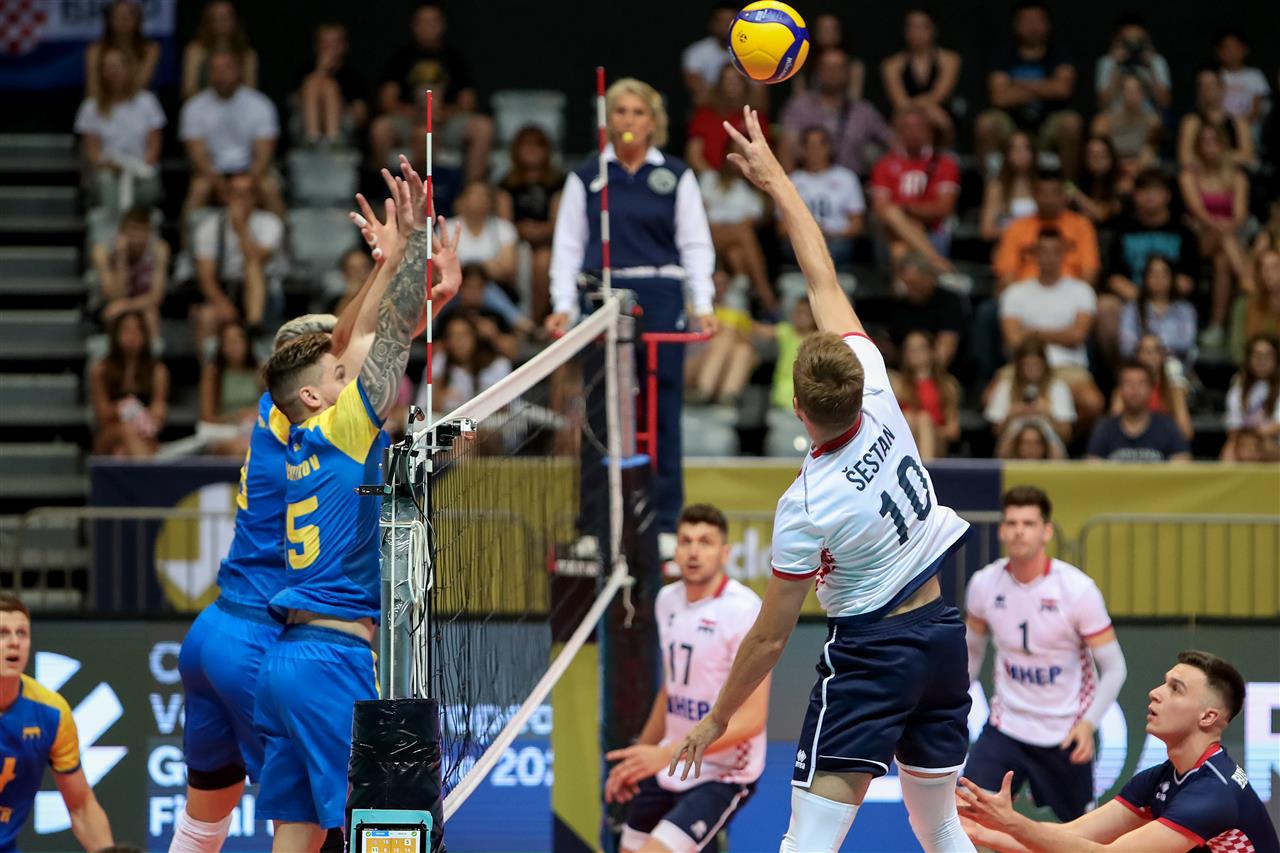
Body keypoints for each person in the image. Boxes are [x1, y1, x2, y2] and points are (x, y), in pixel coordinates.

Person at [670, 107, 976, 853]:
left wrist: (716, 718)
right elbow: (823, 273)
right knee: (939, 825)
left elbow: (770, 637)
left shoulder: (807, 502)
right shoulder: (877, 385)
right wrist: (778, 179)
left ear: (798, 409)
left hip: (873, 653)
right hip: (942, 633)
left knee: (806, 843)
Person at [170, 170, 459, 852]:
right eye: (337, 369)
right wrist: (408, 253)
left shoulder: (290, 421)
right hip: (308, 648)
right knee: (387, 829)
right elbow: (376, 343)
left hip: (263, 646)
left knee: (265, 827)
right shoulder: (340, 427)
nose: (345, 366)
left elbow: (364, 345)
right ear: (317, 387)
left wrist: (414, 287)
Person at [547, 78, 715, 541]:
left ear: (653, 122)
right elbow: (568, 246)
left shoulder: (675, 175)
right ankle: (595, 525)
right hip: (604, 293)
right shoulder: (588, 176)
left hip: (661, 293)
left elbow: (695, 243)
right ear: (608, 120)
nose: (629, 120)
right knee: (600, 412)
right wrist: (563, 305)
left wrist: (702, 302)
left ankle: (665, 524)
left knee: (663, 409)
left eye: (638, 112)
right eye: (620, 111)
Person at [959, 650, 1280, 853]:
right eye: (1164, 683)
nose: (1155, 693)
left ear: (1208, 717)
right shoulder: (1161, 779)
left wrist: (1011, 823)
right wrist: (982, 830)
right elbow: (1071, 835)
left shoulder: (1213, 794)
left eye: (1175, 689)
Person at [605, 504, 767, 853]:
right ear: (675, 550)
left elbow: (752, 718)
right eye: (686, 541)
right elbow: (671, 690)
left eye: (705, 542)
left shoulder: (744, 609)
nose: (694, 551)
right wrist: (638, 759)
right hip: (672, 762)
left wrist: (665, 755)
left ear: (725, 553)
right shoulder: (667, 600)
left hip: (724, 771)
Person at [964, 485, 1128, 822]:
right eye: (1011, 523)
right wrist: (952, 704)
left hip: (1064, 732)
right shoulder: (984, 584)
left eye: (1029, 523)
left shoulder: (1077, 590)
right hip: (1006, 726)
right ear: (1001, 530)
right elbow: (971, 653)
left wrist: (1088, 725)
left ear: (1047, 531)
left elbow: (1115, 668)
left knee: (1082, 832)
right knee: (966, 814)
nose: (1019, 531)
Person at [0, 593, 114, 852]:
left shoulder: (52, 712)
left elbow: (81, 807)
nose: (14, 642)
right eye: (3, 633)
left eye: (22, 633)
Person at [372, 2, 492, 184]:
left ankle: (472, 191)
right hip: (410, 121)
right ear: (414, 26)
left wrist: (440, 114)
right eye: (423, 22)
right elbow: (387, 101)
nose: (428, 27)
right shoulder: (400, 58)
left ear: (442, 25)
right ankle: (387, 188)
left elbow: (468, 102)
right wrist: (419, 114)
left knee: (483, 127)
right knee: (380, 128)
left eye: (433, 22)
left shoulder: (454, 58)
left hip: (446, 122)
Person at [999, 228, 1102, 423]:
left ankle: (1063, 438)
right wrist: (1062, 334)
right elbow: (1013, 340)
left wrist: (1032, 332)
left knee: (1093, 403)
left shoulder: (1082, 291)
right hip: (1022, 366)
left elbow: (1077, 335)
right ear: (1034, 254)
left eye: (1055, 251)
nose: (1049, 257)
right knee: (990, 398)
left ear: (1064, 254)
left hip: (1067, 366)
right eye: (1043, 251)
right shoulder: (1015, 292)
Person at [976, 0, 1082, 180]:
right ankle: (992, 187)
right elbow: (1000, 97)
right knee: (986, 123)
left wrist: (1017, 84)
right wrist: (1046, 86)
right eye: (1027, 21)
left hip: (1048, 124)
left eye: (1037, 21)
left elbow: (1063, 89)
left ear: (1047, 24)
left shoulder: (1059, 54)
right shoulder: (1003, 56)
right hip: (1012, 125)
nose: (1032, 26)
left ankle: (1067, 187)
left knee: (1071, 123)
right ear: (1016, 25)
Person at [1101, 169, 1199, 360]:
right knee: (1106, 306)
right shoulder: (1122, 229)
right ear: (1135, 196)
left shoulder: (1183, 232)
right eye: (1144, 191)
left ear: (1167, 195)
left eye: (1155, 191)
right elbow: (1113, 277)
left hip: (1171, 299)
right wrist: (1144, 296)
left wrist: (1161, 294)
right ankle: (1121, 369)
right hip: (1132, 298)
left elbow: (1189, 279)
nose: (1149, 197)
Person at [179, 49, 283, 219]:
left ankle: (282, 235)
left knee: (269, 187)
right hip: (212, 173)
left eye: (227, 68)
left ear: (239, 71)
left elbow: (264, 155)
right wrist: (219, 183)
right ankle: (188, 237)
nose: (221, 74)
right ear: (209, 74)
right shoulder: (193, 107)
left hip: (252, 171)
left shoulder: (261, 104)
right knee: (198, 189)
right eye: (216, 69)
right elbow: (198, 157)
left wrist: (247, 181)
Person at [1179, 125, 1249, 352]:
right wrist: (1219, 226)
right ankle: (1248, 280)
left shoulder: (1237, 176)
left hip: (1229, 239)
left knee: (1222, 261)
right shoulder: (1189, 175)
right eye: (1204, 141)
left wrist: (1226, 227)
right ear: (1197, 147)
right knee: (1224, 238)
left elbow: (1240, 215)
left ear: (1223, 144)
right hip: (1199, 239)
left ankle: (1217, 325)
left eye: (1214, 141)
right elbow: (1197, 211)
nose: (1210, 146)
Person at [191, 173, 285, 340]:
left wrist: (241, 228)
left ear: (256, 197)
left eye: (248, 193)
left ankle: (254, 324)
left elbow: (258, 259)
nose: (242, 199)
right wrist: (223, 304)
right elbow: (206, 277)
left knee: (252, 266)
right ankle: (209, 358)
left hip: (265, 292)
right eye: (237, 193)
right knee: (207, 317)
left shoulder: (270, 223)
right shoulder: (208, 227)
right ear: (226, 196)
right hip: (226, 288)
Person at [870, 105, 961, 273]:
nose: (913, 133)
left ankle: (902, 285)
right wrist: (906, 220)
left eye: (919, 127)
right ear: (898, 132)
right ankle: (936, 261)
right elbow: (881, 209)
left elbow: (944, 208)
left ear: (929, 131)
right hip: (890, 228)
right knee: (891, 215)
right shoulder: (884, 164)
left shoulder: (944, 163)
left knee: (899, 246)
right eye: (907, 128)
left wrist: (907, 211)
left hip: (930, 229)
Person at [75, 45, 165, 212]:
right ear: (101, 73)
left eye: (117, 66)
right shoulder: (91, 107)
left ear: (129, 69)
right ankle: (116, 226)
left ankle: (127, 226)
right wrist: (107, 165)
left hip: (141, 171)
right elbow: (92, 151)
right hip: (107, 172)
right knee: (107, 181)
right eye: (108, 68)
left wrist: (135, 169)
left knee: (142, 186)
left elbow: (154, 146)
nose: (113, 72)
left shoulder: (147, 101)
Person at [779, 48, 892, 177]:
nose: (833, 72)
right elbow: (786, 150)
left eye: (839, 67)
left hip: (854, 183)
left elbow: (893, 143)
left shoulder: (863, 111)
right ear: (817, 71)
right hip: (810, 183)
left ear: (848, 72)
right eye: (827, 67)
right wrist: (790, 184)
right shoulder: (799, 108)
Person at [699, 144, 777, 316]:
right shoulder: (709, 178)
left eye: (744, 155)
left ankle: (738, 300)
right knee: (743, 234)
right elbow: (699, 212)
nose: (738, 159)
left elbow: (751, 221)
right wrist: (727, 226)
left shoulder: (750, 190)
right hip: (707, 233)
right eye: (735, 154)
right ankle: (765, 292)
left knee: (737, 254)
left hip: (732, 238)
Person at [992, 168, 1100, 291]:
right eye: (1043, 193)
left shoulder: (1082, 225)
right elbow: (1006, 273)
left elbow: (1089, 271)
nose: (1048, 199)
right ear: (1034, 195)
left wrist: (1077, 296)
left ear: (1064, 196)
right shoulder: (1016, 227)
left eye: (1054, 193)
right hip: (1026, 293)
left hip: (1070, 293)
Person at [497, 125, 564, 324]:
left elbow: (559, 222)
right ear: (516, 150)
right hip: (516, 242)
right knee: (517, 259)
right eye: (526, 146)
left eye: (537, 146)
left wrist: (540, 230)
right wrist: (521, 230)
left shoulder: (558, 182)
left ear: (547, 151)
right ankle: (519, 318)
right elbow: (504, 224)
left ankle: (538, 319)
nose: (532, 151)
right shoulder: (507, 184)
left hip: (548, 243)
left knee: (542, 261)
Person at [782, 126, 865, 269]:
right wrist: (809, 233)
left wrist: (833, 233)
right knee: (806, 251)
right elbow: (781, 227)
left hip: (837, 240)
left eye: (820, 144)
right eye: (810, 145)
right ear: (802, 149)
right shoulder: (792, 181)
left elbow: (857, 225)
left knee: (828, 251)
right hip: (802, 241)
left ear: (828, 147)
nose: (815, 150)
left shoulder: (847, 178)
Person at [90, 310, 169, 458]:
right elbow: (102, 416)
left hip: (144, 435)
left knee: (125, 451)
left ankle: (138, 463)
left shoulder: (158, 371)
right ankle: (147, 469)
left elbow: (159, 409)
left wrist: (144, 418)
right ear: (116, 335)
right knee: (127, 430)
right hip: (110, 435)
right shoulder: (101, 370)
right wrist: (122, 408)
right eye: (126, 330)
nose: (132, 336)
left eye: (137, 330)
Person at [880, 9, 961, 146]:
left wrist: (922, 109)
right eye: (911, 27)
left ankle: (944, 155)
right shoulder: (891, 65)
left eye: (922, 27)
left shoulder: (950, 60)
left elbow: (939, 95)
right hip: (906, 115)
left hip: (939, 114)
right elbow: (900, 102)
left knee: (941, 120)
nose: (916, 32)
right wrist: (921, 112)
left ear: (933, 30)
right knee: (903, 120)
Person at [1086, 360, 1191, 462]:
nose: (1135, 389)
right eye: (1128, 383)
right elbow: (1092, 466)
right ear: (1120, 390)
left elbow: (1182, 463)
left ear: (1151, 389)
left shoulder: (1168, 427)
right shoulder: (1105, 428)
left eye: (1141, 383)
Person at [90, 205, 169, 337]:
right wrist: (121, 259)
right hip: (105, 306)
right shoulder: (102, 252)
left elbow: (156, 297)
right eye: (133, 231)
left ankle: (154, 349)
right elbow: (114, 296)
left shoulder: (160, 250)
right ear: (121, 233)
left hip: (139, 305)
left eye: (143, 232)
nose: (137, 239)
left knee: (150, 315)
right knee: (114, 313)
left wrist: (126, 305)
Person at [880, 252, 966, 373]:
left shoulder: (948, 301)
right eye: (906, 284)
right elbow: (892, 346)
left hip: (940, 373)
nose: (910, 289)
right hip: (902, 372)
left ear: (929, 278)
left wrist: (924, 376)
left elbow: (946, 348)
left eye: (914, 283)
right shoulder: (899, 303)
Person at [984, 337, 1076, 446]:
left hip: (1049, 448)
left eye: (1036, 365)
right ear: (1019, 366)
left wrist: (1048, 414)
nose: (1032, 370)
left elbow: (1066, 436)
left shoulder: (1058, 388)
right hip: (1013, 448)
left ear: (1045, 365)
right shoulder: (1005, 387)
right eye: (1027, 365)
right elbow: (996, 435)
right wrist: (1010, 416)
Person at [419, 312, 513, 415]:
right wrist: (438, 390)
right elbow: (422, 413)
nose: (459, 341)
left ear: (475, 337)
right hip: (449, 423)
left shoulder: (497, 365)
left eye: (464, 334)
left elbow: (507, 411)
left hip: (491, 422)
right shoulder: (439, 364)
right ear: (446, 341)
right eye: (452, 336)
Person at [295, 21, 368, 148]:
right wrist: (321, 70)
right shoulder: (304, 72)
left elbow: (360, 115)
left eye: (335, 43)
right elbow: (295, 103)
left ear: (344, 45)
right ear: (317, 45)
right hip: (304, 126)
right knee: (312, 83)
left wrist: (337, 104)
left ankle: (333, 138)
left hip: (342, 126)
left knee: (330, 87)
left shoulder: (353, 76)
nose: (330, 48)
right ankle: (313, 136)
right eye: (325, 43)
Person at [1117, 255, 1198, 369]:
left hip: (1175, 366)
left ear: (1172, 278)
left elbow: (1187, 343)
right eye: (1153, 274)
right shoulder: (1132, 309)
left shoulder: (1185, 309)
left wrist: (1155, 347)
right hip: (1141, 366)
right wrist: (1148, 351)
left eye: (1163, 274)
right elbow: (1125, 346)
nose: (1158, 279)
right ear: (1145, 278)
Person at [687, 64, 770, 175]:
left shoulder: (755, 116)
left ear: (745, 84)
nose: (731, 84)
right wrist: (713, 179)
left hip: (749, 179)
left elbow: (765, 157)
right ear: (719, 85)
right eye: (726, 80)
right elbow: (694, 155)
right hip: (710, 178)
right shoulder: (704, 115)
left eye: (736, 79)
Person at [891, 330, 961, 460]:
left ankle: (925, 468)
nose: (913, 352)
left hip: (936, 441)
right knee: (909, 417)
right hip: (903, 440)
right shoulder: (897, 385)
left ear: (931, 352)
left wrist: (928, 428)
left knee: (923, 419)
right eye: (909, 348)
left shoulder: (947, 385)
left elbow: (953, 430)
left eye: (920, 348)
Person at [1112, 333, 1194, 442]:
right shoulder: (1124, 390)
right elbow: (1114, 431)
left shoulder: (1174, 391)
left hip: (1163, 445)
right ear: (1137, 356)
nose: (1151, 356)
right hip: (1132, 445)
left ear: (1163, 356)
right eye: (1146, 351)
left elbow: (1186, 433)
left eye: (1156, 351)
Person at [198, 321, 263, 457]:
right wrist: (237, 416)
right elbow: (207, 417)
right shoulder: (212, 373)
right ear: (221, 346)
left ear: (247, 344)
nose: (233, 346)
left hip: (253, 428)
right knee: (241, 449)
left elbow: (270, 406)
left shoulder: (259, 371)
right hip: (223, 432)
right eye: (228, 341)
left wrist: (254, 413)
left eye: (238, 340)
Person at [1177, 66, 1255, 171]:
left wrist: (1214, 156)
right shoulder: (1191, 122)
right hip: (1201, 177)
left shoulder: (1238, 122)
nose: (1206, 90)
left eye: (1211, 85)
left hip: (1231, 177)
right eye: (1202, 86)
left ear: (1222, 87)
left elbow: (1247, 157)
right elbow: (1185, 159)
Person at [1093, 14, 1171, 115]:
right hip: (1116, 115)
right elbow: (1102, 103)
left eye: (1138, 41)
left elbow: (1165, 103)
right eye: (1129, 42)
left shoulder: (1156, 61)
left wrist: (1151, 68)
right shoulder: (1108, 62)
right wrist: (1116, 66)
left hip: (1147, 115)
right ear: (1118, 40)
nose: (1133, 46)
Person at [1220, 333, 1280, 461]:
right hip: (1245, 440)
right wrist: (1245, 440)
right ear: (1249, 359)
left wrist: (1255, 435)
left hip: (1274, 442)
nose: (1262, 361)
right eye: (1257, 355)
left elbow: (1277, 425)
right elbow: (1233, 426)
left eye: (1267, 356)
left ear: (1276, 359)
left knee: (1261, 446)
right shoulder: (1239, 385)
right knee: (1230, 448)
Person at [181, 0, 257, 100]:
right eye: (216, 18)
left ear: (235, 20)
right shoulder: (195, 51)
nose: (221, 23)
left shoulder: (247, 54)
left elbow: (251, 93)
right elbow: (188, 91)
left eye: (225, 18)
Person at [449, 181, 517, 292]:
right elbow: (442, 271)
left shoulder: (504, 228)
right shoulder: (447, 227)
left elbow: (508, 270)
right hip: (456, 289)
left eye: (484, 195)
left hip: (493, 288)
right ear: (462, 200)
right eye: (473, 194)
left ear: (491, 202)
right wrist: (488, 265)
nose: (479, 199)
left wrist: (464, 266)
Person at [84, 0, 159, 100]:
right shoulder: (95, 51)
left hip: (137, 103)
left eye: (127, 17)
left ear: (137, 20)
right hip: (104, 103)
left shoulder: (150, 49)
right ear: (109, 20)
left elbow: (141, 84)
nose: (122, 21)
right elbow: (92, 89)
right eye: (117, 16)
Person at [1089, 72, 1160, 176]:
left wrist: (1135, 166)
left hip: (1138, 168)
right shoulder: (1104, 120)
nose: (1132, 95)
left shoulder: (1152, 121)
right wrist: (1120, 166)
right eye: (1129, 91)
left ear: (1143, 94)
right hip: (1112, 167)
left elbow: (1149, 150)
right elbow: (1098, 150)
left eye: (1136, 91)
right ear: (1121, 94)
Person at [980, 130, 1038, 242]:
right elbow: (986, 230)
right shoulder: (996, 187)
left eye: (1026, 148)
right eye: (1015, 149)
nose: (1021, 154)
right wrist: (1022, 232)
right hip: (1008, 246)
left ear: (1033, 153)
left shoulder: (1043, 185)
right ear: (1006, 154)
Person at [681, 3, 739, 108]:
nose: (726, 26)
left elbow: (759, 99)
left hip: (744, 111)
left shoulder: (753, 52)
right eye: (722, 21)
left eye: (731, 21)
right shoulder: (696, 52)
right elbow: (699, 94)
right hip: (708, 111)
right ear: (712, 24)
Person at [1215, 31, 1271, 138]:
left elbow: (1257, 108)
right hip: (1220, 126)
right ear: (1219, 52)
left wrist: (1240, 126)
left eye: (1235, 47)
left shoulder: (1255, 75)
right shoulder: (1215, 75)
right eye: (1227, 48)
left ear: (1245, 50)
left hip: (1249, 125)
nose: (1231, 52)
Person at [1232, 248, 1280, 361]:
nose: (1268, 273)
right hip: (1251, 369)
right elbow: (1237, 349)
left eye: (1275, 267)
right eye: (1264, 268)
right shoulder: (1244, 305)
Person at [1067, 135, 1125, 226]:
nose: (1097, 159)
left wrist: (1076, 194)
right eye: (1092, 155)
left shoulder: (1121, 184)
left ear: (1111, 157)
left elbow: (1101, 215)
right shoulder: (1080, 181)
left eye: (1102, 155)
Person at [996, 420, 1067, 460]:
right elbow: (1001, 454)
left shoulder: (1052, 470)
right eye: (1026, 443)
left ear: (1044, 447)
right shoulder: (1010, 469)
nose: (1031, 448)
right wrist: (1016, 425)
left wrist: (1046, 427)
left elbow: (1059, 457)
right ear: (1018, 446)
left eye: (1037, 443)